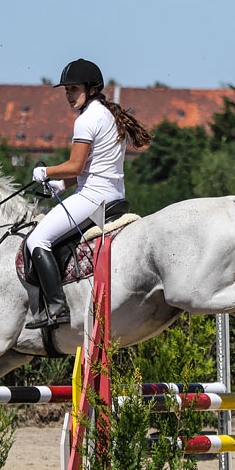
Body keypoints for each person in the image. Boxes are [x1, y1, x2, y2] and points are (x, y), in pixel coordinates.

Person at [25, 58, 152, 329]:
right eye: (66, 90)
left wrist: (46, 173)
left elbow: (76, 165)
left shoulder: (86, 120)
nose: (69, 95)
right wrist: (62, 185)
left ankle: (57, 308)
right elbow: (94, 166)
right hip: (114, 195)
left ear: (91, 88)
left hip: (93, 198)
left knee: (37, 240)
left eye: (73, 89)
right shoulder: (106, 114)